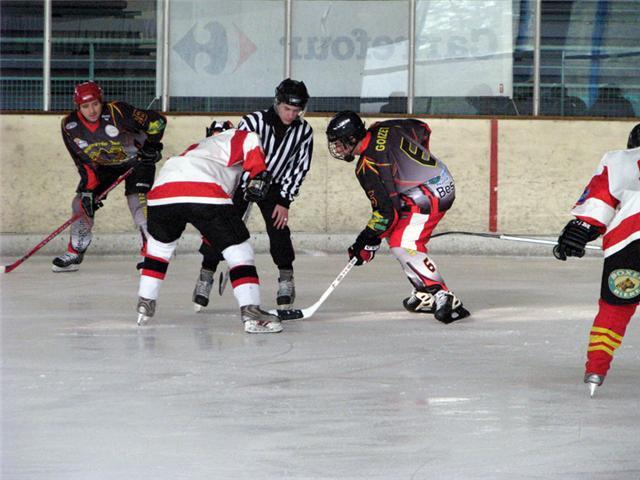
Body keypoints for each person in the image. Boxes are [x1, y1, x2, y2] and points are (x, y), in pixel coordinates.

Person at [136, 120, 282, 334]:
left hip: (161, 193)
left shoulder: (196, 148)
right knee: (239, 250)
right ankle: (252, 313)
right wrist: (257, 174)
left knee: (159, 249)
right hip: (203, 189)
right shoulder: (234, 135)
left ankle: (145, 304)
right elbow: (250, 141)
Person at [325, 111, 470, 324]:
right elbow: (423, 129)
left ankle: (442, 294)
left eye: (339, 143)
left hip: (428, 195)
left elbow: (385, 213)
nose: (337, 149)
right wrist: (418, 167)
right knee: (394, 235)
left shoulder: (367, 166)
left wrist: (364, 242)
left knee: (403, 243)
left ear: (352, 138)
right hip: (440, 179)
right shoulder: (383, 127)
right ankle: (424, 293)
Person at [194, 78, 313, 311]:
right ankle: (206, 274)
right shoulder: (253, 121)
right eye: (287, 109)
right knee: (221, 227)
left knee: (279, 228)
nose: (291, 115)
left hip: (275, 186)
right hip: (243, 182)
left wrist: (284, 200)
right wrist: (251, 180)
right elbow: (238, 152)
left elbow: (299, 167)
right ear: (277, 103)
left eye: (296, 110)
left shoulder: (304, 131)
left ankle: (286, 279)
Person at [554, 123, 640, 396]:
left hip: (629, 246)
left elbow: (599, 203)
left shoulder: (618, 160)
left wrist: (580, 230)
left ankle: (596, 371)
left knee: (615, 310)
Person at [52, 81, 166, 272]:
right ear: (77, 106)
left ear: (101, 101)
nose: (91, 110)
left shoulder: (117, 111)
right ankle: (76, 250)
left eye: (95, 104)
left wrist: (152, 146)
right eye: (85, 106)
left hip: (138, 161)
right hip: (105, 166)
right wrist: (89, 191)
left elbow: (158, 122)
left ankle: (150, 253)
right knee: (81, 203)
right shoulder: (70, 126)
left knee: (138, 201)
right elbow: (83, 161)